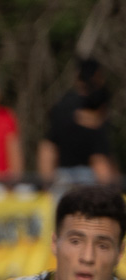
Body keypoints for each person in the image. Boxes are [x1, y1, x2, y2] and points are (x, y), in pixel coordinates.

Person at [39, 61, 116, 191]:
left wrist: (46, 185)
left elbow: (47, 149)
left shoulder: (61, 107)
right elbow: (100, 164)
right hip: (88, 183)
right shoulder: (94, 115)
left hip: (60, 179)